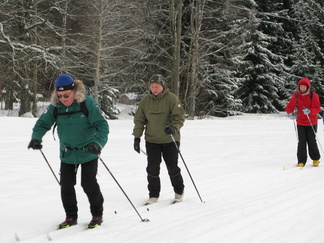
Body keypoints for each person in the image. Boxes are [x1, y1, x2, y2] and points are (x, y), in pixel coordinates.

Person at [28, 74, 109, 229]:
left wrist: (97, 143)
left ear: (74, 91)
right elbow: (42, 123)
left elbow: (102, 126)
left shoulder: (87, 103)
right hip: (67, 153)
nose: (63, 98)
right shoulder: (56, 107)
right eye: (59, 96)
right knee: (66, 186)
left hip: (88, 151)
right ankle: (71, 217)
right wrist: (36, 137)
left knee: (88, 184)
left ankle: (97, 214)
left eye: (66, 95)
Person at [132, 74, 185, 205]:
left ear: (163, 86)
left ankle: (179, 191)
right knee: (152, 168)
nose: (154, 89)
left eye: (157, 86)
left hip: (170, 139)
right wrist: (137, 138)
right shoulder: (145, 101)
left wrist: (173, 127)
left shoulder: (172, 99)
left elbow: (179, 117)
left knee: (172, 167)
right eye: (152, 86)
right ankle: (153, 194)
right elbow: (139, 120)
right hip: (152, 140)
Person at [286, 77, 321, 167]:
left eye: (304, 87)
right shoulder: (296, 95)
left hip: (311, 122)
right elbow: (290, 106)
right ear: (298, 87)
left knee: (311, 141)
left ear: (308, 87)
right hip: (300, 122)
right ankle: (301, 161)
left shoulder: (313, 96)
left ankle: (315, 159)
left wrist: (310, 111)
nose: (302, 88)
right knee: (301, 142)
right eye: (301, 86)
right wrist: (290, 113)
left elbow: (317, 108)